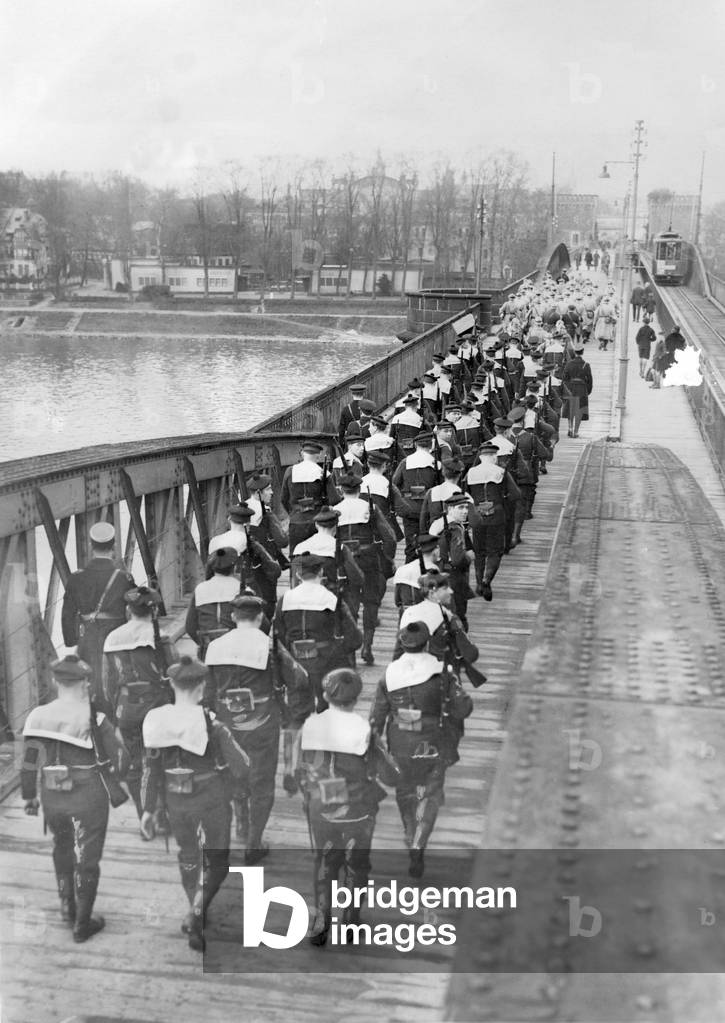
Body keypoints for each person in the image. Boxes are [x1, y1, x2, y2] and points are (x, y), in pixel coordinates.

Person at [140, 656, 250, 952]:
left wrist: (147, 809)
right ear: (201, 687)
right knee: (217, 862)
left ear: (172, 685)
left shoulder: (156, 722)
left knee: (188, 855)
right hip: (211, 798)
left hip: (175, 801)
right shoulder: (213, 725)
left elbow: (149, 770)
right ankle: (197, 913)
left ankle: (195, 912)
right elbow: (242, 767)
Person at [21, 655, 130, 942]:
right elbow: (122, 761)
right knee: (87, 858)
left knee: (62, 847)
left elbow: (29, 764)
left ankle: (66, 904)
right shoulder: (95, 718)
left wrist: (30, 797)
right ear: (85, 683)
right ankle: (82, 922)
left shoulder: (37, 716)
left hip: (52, 796)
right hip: (88, 797)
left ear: (54, 681)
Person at [370, 622, 472, 878]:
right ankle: (419, 841)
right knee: (431, 792)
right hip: (432, 740)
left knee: (405, 790)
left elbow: (377, 717)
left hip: (400, 742)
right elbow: (463, 708)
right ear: (427, 643)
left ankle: (409, 831)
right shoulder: (442, 671)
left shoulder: (389, 673)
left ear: (402, 643)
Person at [298, 668, 392, 945]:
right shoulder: (365, 730)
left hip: (321, 806)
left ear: (326, 696)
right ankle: (350, 921)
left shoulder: (308, 727)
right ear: (356, 698)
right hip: (357, 808)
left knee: (325, 862)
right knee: (356, 865)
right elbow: (390, 774)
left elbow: (296, 769)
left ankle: (321, 921)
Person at [274, 552, 362, 790]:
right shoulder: (331, 600)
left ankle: (290, 766)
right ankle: (321, 769)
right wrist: (337, 650)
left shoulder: (285, 599)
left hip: (296, 664)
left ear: (298, 574)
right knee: (327, 715)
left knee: (296, 716)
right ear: (321, 573)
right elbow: (355, 638)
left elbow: (278, 634)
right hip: (325, 663)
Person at [205, 591, 281, 861]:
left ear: (233, 617)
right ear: (260, 617)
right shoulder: (269, 645)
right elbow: (295, 679)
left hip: (226, 721)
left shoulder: (215, 646)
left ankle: (241, 822)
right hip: (262, 722)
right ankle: (254, 842)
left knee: (234, 770)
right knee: (263, 780)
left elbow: (208, 689)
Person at [103, 585, 176, 823]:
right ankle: (162, 814)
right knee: (160, 759)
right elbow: (174, 672)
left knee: (136, 763)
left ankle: (144, 813)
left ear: (128, 610)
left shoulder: (112, 638)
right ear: (153, 611)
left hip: (126, 708)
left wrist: (115, 710)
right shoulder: (160, 637)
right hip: (157, 706)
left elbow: (107, 682)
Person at [61, 521, 136, 717]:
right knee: (117, 678)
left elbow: (67, 614)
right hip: (116, 635)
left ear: (90, 546)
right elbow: (137, 608)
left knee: (89, 681)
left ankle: (93, 720)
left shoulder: (76, 578)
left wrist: (72, 640)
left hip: (88, 637)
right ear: (114, 546)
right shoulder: (124, 578)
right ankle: (114, 717)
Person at [334, 472, 396, 664]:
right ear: (359, 489)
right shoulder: (370, 508)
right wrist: (387, 558)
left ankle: (350, 652)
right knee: (371, 601)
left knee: (350, 602)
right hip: (369, 558)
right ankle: (367, 646)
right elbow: (390, 537)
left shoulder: (334, 510)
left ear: (341, 490)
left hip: (346, 561)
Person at [465, 442, 520, 601]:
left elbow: (465, 494)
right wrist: (504, 499)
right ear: (494, 457)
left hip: (478, 515)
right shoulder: (501, 472)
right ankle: (486, 580)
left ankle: (478, 583)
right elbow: (516, 494)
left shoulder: (471, 473)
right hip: (497, 514)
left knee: (479, 551)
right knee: (495, 551)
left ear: (481, 457)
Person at [280, 440, 339, 552]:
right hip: (318, 523)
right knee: (318, 555)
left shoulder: (289, 471)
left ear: (302, 454)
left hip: (296, 521)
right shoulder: (323, 473)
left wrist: (293, 513)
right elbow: (334, 500)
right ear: (318, 456)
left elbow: (283, 498)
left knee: (296, 556)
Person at [392, 431, 439, 562]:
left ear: (416, 445)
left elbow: (394, 483)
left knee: (411, 544)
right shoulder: (436, 464)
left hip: (409, 507)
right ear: (431, 445)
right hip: (429, 507)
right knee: (428, 543)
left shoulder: (405, 462)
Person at [185, 548, 240, 660]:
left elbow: (190, 627)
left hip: (208, 648)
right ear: (234, 567)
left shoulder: (200, 589)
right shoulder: (239, 588)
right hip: (234, 649)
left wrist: (203, 644)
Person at [561, 344, 594, 438]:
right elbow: (590, 380)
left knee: (570, 409)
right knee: (579, 410)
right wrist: (588, 391)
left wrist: (567, 388)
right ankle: (576, 431)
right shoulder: (586, 365)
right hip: (582, 389)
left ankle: (570, 428)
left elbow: (564, 378)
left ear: (575, 352)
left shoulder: (569, 364)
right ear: (582, 352)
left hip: (571, 388)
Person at [337, 382, 368, 447]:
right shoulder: (368, 408)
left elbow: (341, 429)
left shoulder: (346, 409)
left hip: (351, 441)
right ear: (363, 393)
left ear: (352, 394)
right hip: (366, 440)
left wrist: (341, 443)